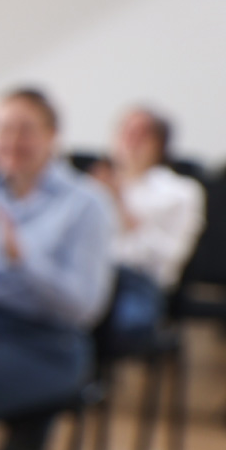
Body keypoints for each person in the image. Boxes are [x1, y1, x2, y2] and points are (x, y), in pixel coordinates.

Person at [0, 87, 117, 450]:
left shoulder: (88, 204)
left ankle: (18, 430)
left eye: (24, 130)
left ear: (52, 136)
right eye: (1, 129)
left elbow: (83, 308)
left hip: (48, 342)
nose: (11, 141)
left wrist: (23, 261)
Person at [88, 106, 204, 347]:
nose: (131, 142)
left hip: (139, 285)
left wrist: (119, 204)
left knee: (116, 323)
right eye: (125, 133)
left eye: (141, 135)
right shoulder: (90, 187)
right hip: (92, 277)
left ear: (160, 144)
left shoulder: (180, 192)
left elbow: (166, 258)